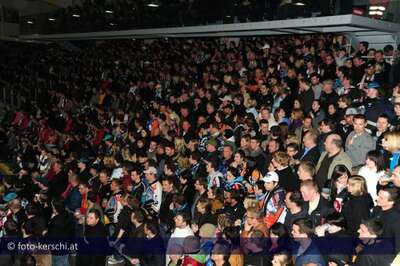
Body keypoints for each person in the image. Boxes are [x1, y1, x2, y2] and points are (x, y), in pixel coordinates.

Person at [372, 187, 400, 253]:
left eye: (381, 198)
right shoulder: (376, 209)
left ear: (391, 202)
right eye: (378, 196)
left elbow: (397, 246)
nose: (376, 199)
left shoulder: (396, 219)